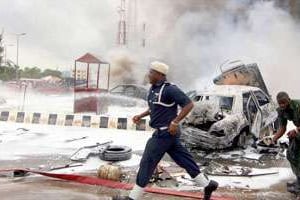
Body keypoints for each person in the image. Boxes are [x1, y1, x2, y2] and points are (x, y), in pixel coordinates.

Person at [113, 61, 218, 200]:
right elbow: (154, 108)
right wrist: (141, 115)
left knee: (147, 162)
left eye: (151, 72)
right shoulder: (153, 89)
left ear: (159, 74)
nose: (148, 74)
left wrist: (175, 122)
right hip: (167, 135)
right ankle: (208, 184)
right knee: (185, 161)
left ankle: (133, 198)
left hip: (163, 134)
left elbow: (189, 104)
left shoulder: (170, 89)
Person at [273, 91, 300, 194]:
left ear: (289, 100)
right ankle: (298, 179)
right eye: (280, 103)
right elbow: (282, 127)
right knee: (291, 154)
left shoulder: (298, 106)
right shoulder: (281, 110)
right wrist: (274, 139)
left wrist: (296, 131)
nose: (282, 105)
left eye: (284, 102)